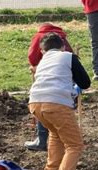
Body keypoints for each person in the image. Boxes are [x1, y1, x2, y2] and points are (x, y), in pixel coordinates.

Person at [28, 33, 91, 170]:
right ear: (62, 47)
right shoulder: (68, 57)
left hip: (35, 104)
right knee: (74, 145)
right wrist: (76, 86)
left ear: (43, 50)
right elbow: (85, 82)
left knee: (55, 135)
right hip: (56, 104)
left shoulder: (42, 62)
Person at [25, 23, 74, 151]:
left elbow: (32, 57)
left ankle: (42, 140)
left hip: (45, 79)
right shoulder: (62, 38)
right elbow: (72, 56)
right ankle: (65, 138)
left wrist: (35, 67)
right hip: (65, 78)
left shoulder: (39, 36)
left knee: (45, 103)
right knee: (62, 105)